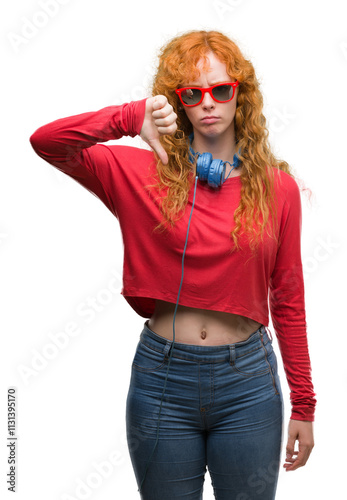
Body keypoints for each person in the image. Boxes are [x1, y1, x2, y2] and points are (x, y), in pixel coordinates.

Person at [30, 29, 316, 500]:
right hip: (163, 381)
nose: (209, 103)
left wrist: (304, 404)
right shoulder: (137, 172)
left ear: (240, 95)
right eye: (192, 93)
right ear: (176, 101)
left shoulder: (276, 188)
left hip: (248, 384)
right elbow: (47, 142)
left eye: (221, 89)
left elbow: (288, 298)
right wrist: (127, 117)